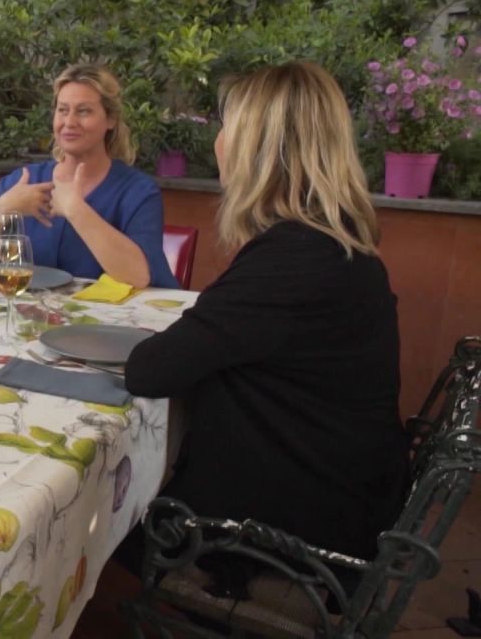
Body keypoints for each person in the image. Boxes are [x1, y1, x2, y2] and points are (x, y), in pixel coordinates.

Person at [125, 62, 408, 563]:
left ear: (257, 149)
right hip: (340, 492)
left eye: (227, 127)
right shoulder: (329, 241)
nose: (219, 142)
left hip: (291, 538)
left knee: (100, 519)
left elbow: (150, 369)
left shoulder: (295, 259)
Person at [0, 64, 177, 288]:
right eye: (63, 110)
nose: (69, 123)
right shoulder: (23, 181)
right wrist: (2, 208)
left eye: (84, 111)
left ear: (111, 119)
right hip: (27, 314)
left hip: (103, 320)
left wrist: (75, 210)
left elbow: (139, 276)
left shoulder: (138, 192)